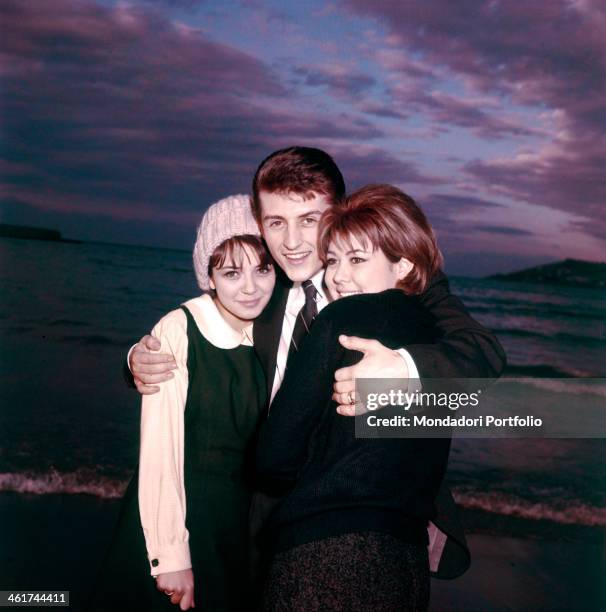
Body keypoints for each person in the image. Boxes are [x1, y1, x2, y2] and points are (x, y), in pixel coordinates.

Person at [127, 147, 505, 583]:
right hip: (264, 513)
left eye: (309, 220)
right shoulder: (263, 291)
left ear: (338, 213)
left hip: (368, 526)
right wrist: (139, 358)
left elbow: (482, 350)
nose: (291, 242)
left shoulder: (399, 278)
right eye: (275, 223)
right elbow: (198, 327)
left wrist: (403, 367)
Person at [255, 184, 450, 610]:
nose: (338, 276)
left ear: (404, 265)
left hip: (322, 556)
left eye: (358, 260)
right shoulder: (442, 339)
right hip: (408, 563)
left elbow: (274, 460)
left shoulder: (341, 316)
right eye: (333, 260)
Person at [88, 195, 276, 611]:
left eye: (263, 269)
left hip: (235, 525)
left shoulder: (267, 333)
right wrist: (169, 555)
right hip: (176, 520)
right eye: (231, 272)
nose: (250, 286)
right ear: (208, 276)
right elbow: (160, 449)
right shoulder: (179, 329)